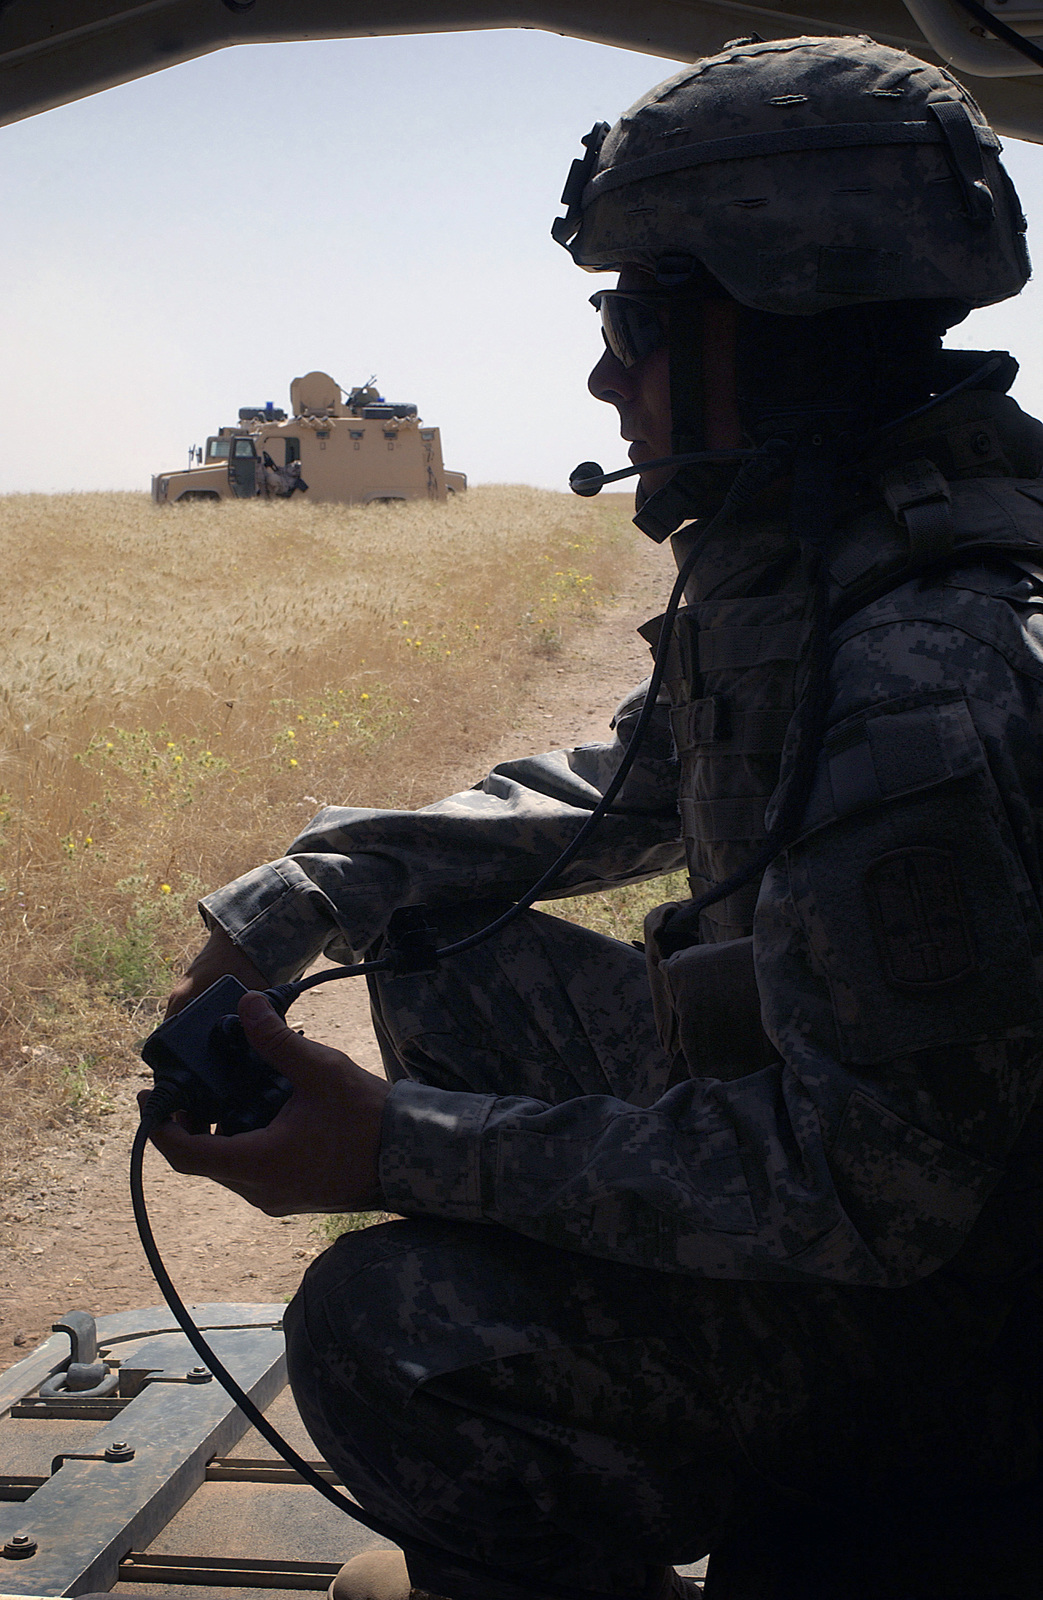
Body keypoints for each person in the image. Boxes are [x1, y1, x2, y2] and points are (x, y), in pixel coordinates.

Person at [149, 35, 1043, 1600]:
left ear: (774, 320)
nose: (603, 375)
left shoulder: (923, 677)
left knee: (387, 1331)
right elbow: (632, 782)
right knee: (442, 942)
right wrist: (316, 886)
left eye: (635, 320)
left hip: (964, 1329)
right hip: (924, 1186)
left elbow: (870, 1193)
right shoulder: (851, 536)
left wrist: (399, 1149)